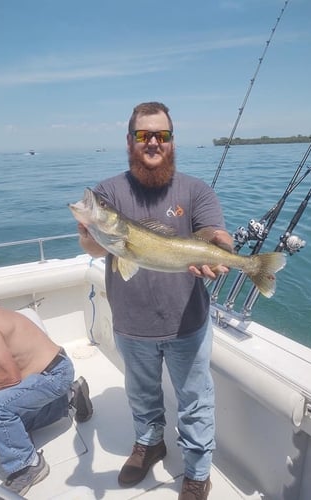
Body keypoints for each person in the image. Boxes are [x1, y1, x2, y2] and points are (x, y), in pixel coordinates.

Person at [78, 101, 233, 500]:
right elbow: (95, 249)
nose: (152, 142)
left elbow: (214, 234)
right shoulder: (108, 192)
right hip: (132, 325)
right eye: (143, 135)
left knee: (195, 401)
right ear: (129, 141)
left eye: (161, 135)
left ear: (171, 141)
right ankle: (150, 444)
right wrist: (92, 228)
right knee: (141, 395)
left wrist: (222, 250)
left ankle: (197, 472)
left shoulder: (195, 189)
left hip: (188, 325)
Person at [0, 304, 93, 499]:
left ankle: (28, 465)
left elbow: (10, 378)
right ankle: (71, 396)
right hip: (42, 374)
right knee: (4, 428)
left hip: (54, 374)